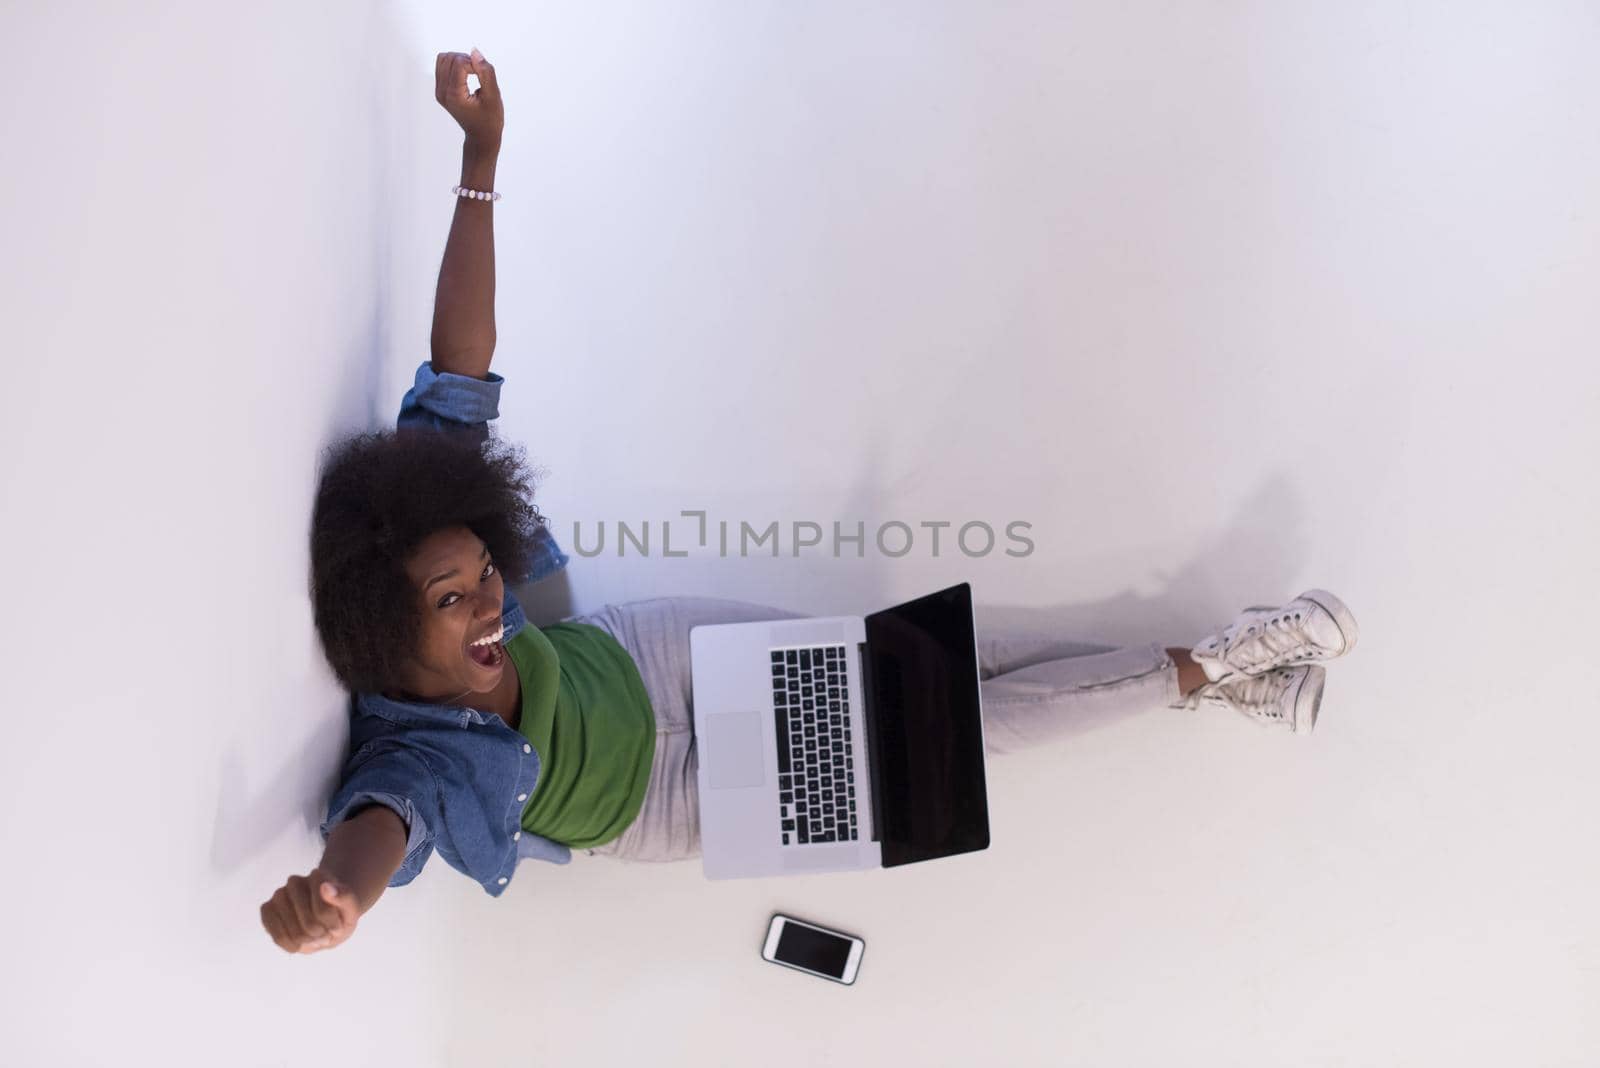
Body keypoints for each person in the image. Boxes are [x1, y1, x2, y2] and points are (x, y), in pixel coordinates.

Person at [259, 50, 1361, 956]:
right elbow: (376, 829)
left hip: (647, 658)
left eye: (480, 573)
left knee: (953, 655)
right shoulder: (410, 761)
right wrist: (337, 895)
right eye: (453, 603)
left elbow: (458, 366)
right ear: (381, 631)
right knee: (963, 740)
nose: (486, 600)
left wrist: (482, 154)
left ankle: (1210, 677)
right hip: (671, 798)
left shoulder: (422, 517)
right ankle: (1215, 664)